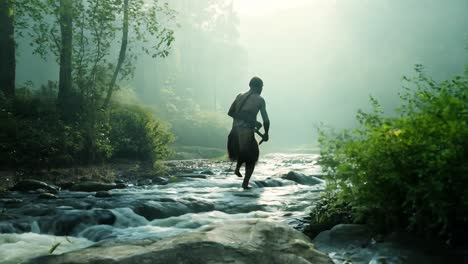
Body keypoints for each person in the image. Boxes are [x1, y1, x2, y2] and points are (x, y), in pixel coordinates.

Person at [227, 76, 270, 189]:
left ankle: (237, 169)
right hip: (245, 134)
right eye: (261, 87)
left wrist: (253, 122)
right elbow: (266, 119)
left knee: (245, 152)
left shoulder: (240, 96)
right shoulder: (259, 99)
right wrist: (266, 133)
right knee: (252, 157)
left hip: (234, 133)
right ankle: (245, 184)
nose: (262, 89)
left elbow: (231, 112)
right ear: (258, 87)